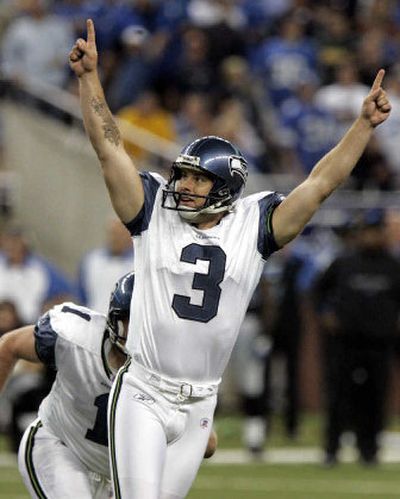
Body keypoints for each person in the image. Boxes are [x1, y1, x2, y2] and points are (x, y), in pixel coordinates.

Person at [69, 19, 391, 498]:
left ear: (225, 186)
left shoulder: (254, 225)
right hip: (143, 390)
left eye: (198, 179)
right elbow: (109, 147)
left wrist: (362, 126)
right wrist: (90, 78)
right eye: (183, 176)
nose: (184, 186)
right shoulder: (153, 211)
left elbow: (321, 185)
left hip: (202, 403)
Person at [0, 271, 218, 497]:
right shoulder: (73, 336)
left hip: (116, 475)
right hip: (60, 447)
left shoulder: (169, 370)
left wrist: (182, 423)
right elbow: (9, 346)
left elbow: (207, 443)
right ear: (115, 319)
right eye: (135, 321)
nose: (141, 334)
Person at [314, 209, 400, 466]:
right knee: (339, 397)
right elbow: (318, 291)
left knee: (374, 399)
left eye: (375, 231)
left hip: (379, 343)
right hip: (345, 342)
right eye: (367, 231)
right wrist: (325, 314)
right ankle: (331, 449)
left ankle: (369, 450)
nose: (371, 236)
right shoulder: (343, 262)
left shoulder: (393, 266)